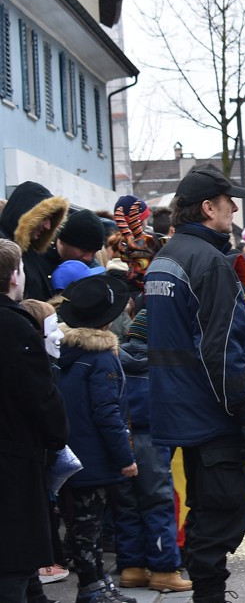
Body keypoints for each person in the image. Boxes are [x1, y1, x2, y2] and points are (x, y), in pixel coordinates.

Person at [144, 166, 245, 603]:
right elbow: (221, 351)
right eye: (228, 200)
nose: (234, 208)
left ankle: (207, 589)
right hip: (211, 411)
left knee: (204, 504)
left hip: (180, 407)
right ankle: (209, 594)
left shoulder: (168, 256)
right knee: (223, 508)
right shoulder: (209, 261)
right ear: (208, 207)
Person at [53, 274, 137, 603]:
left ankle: (98, 583)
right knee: (89, 526)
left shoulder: (64, 352)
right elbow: (107, 413)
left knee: (82, 524)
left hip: (70, 452)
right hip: (95, 455)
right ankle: (92, 588)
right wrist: (125, 458)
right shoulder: (101, 357)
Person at [0, 239, 68, 603]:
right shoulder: (16, 327)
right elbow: (40, 398)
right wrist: (56, 437)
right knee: (12, 566)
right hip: (14, 460)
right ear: (14, 277)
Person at [113, 310, 191, 593]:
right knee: (157, 504)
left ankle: (131, 568)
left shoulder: (114, 358)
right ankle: (163, 569)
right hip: (153, 440)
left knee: (126, 505)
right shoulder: (163, 363)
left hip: (120, 439)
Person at [0, 181, 68, 302]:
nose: (48, 226)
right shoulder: (3, 247)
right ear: (25, 213)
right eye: (44, 217)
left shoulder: (33, 251)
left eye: (51, 219)